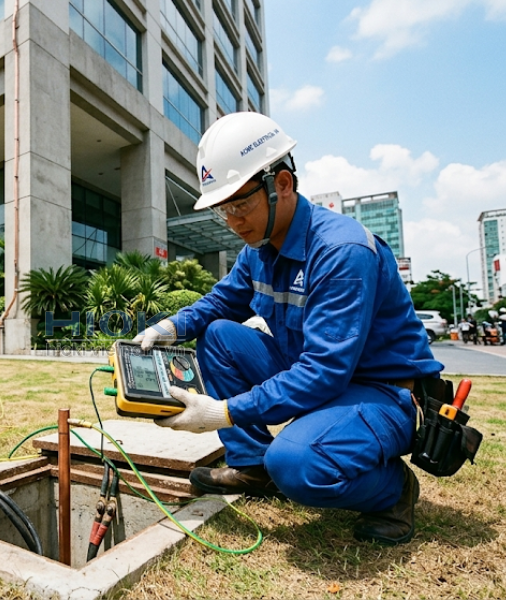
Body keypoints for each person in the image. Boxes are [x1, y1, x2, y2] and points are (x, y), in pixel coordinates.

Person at [134, 112, 442, 546]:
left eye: (240, 204)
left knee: (297, 464)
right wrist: (168, 327)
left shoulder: (341, 251)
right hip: (318, 372)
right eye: (224, 209)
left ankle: (392, 490)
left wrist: (222, 412)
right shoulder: (259, 248)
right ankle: (252, 467)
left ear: (282, 183)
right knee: (219, 334)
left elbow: (323, 372)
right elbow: (221, 302)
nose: (233, 220)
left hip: (380, 390)